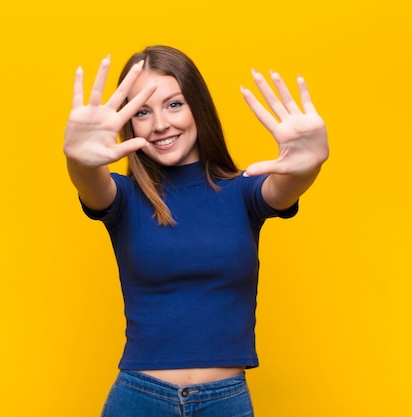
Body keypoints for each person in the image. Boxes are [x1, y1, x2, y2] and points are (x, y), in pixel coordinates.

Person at [63, 45, 329, 417]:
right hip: (140, 399)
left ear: (198, 107)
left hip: (226, 401)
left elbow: (286, 188)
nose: (159, 124)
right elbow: (91, 183)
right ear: (129, 123)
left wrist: (307, 166)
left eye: (174, 104)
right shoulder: (123, 197)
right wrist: (78, 160)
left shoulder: (244, 192)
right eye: (142, 111)